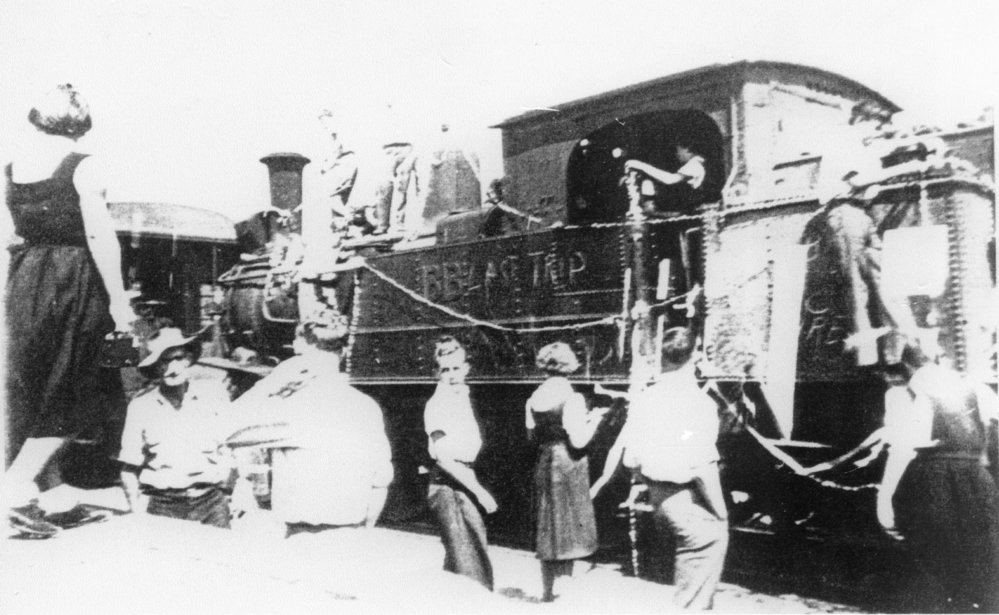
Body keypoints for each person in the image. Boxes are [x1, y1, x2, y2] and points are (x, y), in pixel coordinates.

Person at [3, 84, 133, 535]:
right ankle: (14, 489)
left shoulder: (12, 171)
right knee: (81, 391)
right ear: (79, 123)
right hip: (74, 279)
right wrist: (119, 300)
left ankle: (55, 499)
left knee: (36, 389)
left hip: (24, 282)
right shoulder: (84, 166)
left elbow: (10, 238)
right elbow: (100, 235)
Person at [592, 327, 728, 611]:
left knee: (688, 584)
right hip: (687, 501)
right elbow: (703, 466)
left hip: (659, 499)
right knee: (707, 553)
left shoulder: (644, 398)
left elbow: (631, 459)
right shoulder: (700, 403)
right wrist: (721, 512)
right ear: (696, 357)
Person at [226, 310, 393, 538]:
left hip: (305, 537)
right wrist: (364, 530)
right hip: (353, 535)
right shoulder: (366, 407)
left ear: (299, 351)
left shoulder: (294, 407)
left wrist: (273, 382)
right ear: (343, 352)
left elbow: (228, 430)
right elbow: (380, 482)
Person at [877, 342, 999, 613]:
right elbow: (993, 436)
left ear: (908, 367)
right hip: (977, 477)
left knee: (937, 556)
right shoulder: (979, 390)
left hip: (934, 478)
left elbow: (902, 448)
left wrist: (885, 500)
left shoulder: (911, 393)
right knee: (980, 551)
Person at [117, 328, 234, 528]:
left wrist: (237, 494)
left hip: (211, 504)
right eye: (163, 362)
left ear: (188, 360)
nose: (172, 368)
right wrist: (137, 513)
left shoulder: (213, 395)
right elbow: (129, 468)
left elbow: (235, 447)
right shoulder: (141, 407)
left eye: (178, 358)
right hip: (163, 506)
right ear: (154, 368)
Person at [527, 342, 605, 602]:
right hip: (569, 464)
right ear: (569, 365)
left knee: (548, 527)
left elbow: (531, 434)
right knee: (569, 529)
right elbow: (579, 441)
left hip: (545, 461)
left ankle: (548, 592)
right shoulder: (573, 397)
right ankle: (564, 592)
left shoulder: (534, 398)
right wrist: (594, 419)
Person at [423, 336, 497, 591]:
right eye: (445, 370)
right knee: (469, 564)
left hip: (462, 480)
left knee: (464, 559)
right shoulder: (437, 405)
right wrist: (480, 492)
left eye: (457, 368)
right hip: (448, 486)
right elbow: (444, 458)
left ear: (467, 368)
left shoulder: (460, 396)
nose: (452, 375)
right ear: (436, 372)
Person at [624, 139, 708, 215]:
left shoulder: (695, 164)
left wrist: (641, 166)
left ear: (687, 149)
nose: (676, 154)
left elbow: (669, 179)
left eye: (677, 150)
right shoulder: (698, 163)